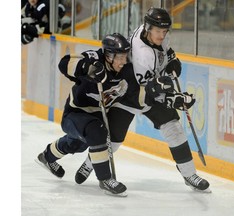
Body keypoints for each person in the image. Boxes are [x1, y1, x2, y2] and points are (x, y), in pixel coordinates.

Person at [75, 7, 210, 192]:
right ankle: (89, 164)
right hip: (130, 94)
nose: (162, 35)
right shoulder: (142, 54)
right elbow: (150, 92)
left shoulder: (153, 33)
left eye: (165, 31)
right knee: (112, 141)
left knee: (174, 128)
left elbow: (165, 51)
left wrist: (171, 59)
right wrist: (174, 99)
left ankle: (189, 174)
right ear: (147, 28)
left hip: (148, 88)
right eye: (158, 31)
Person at [36, 33, 135, 197]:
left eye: (125, 57)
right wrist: (88, 69)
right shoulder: (94, 58)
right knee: (96, 132)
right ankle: (105, 179)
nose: (123, 61)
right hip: (74, 114)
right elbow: (64, 63)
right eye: (120, 57)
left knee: (76, 144)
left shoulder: (126, 70)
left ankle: (46, 156)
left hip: (95, 117)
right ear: (109, 55)